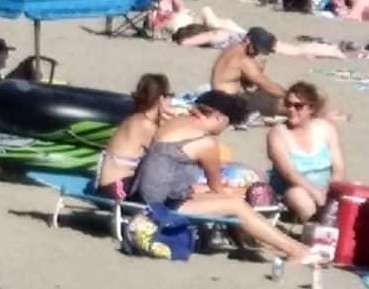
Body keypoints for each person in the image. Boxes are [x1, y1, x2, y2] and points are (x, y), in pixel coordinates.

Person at [132, 90, 316, 269]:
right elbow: (217, 188)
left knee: (226, 200)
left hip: (147, 192)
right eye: (228, 123)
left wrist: (198, 189)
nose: (225, 128)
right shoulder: (206, 143)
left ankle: (289, 247)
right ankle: (297, 251)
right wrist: (236, 192)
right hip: (161, 205)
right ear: (220, 117)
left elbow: (166, 169)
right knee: (236, 205)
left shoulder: (175, 122)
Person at [265, 81, 343, 221]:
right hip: (292, 192)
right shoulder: (277, 133)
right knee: (298, 195)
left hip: (325, 189)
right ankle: (320, 225)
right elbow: (289, 174)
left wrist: (330, 190)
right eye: (288, 104)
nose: (291, 109)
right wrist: (315, 193)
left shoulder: (326, 129)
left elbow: (338, 168)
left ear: (311, 108)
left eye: (298, 106)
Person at [96, 73, 172, 196]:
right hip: (116, 188)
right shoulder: (145, 125)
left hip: (110, 185)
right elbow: (168, 154)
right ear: (161, 99)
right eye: (168, 97)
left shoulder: (135, 118)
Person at [209, 27, 287, 119]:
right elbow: (268, 86)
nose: (256, 53)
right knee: (277, 101)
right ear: (247, 40)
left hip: (216, 99)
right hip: (228, 107)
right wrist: (290, 97)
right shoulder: (243, 61)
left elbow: (245, 81)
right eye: (255, 48)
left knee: (266, 92)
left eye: (258, 51)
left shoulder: (233, 48)